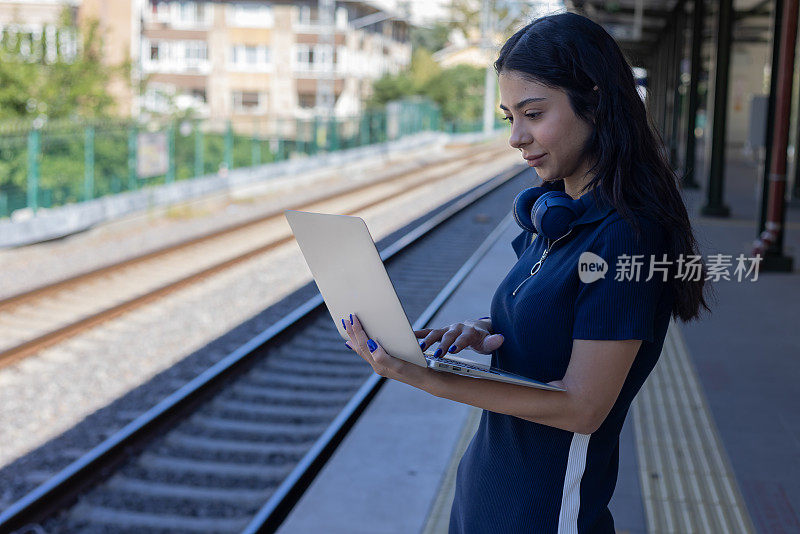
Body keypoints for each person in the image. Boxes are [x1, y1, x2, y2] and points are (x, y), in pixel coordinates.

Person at [342, 11, 714, 534]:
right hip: (482, 493)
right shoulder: (556, 216)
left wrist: (423, 374)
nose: (517, 136)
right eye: (509, 116)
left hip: (544, 514)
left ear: (597, 103)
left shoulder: (626, 237)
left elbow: (583, 409)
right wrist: (486, 331)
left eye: (534, 113)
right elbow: (553, 322)